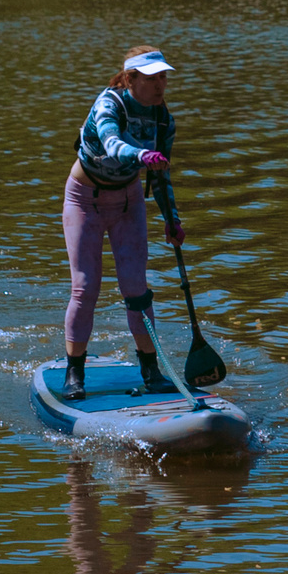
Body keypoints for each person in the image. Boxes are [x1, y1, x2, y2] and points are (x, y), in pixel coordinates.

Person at [63, 46, 185, 401]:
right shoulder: (108, 105)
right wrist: (142, 155)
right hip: (85, 199)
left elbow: (161, 175)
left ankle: (151, 370)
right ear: (131, 79)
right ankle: (75, 372)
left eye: (164, 76)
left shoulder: (164, 121)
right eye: (152, 78)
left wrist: (172, 219)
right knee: (86, 288)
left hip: (129, 201)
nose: (161, 85)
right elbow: (113, 144)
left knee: (136, 289)